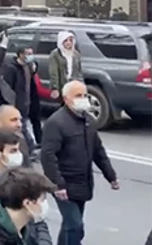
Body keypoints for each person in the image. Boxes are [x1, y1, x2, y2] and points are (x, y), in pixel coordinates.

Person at [41, 80, 118, 245]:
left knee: (71, 225)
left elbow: (98, 150)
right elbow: (48, 156)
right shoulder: (56, 123)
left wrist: (110, 175)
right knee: (75, 224)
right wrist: (58, 184)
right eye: (78, 95)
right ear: (67, 99)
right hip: (64, 184)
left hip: (82, 183)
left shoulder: (88, 120)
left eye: (84, 95)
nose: (83, 99)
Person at [0, 167, 58, 245]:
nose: (45, 203)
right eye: (42, 199)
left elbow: (40, 230)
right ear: (27, 203)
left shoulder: (25, 223)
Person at [48, 31, 81, 100]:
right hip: (62, 86)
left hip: (73, 85)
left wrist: (80, 85)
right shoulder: (55, 54)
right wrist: (55, 88)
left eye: (70, 40)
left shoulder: (76, 54)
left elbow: (78, 71)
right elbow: (54, 73)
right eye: (66, 40)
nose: (68, 43)